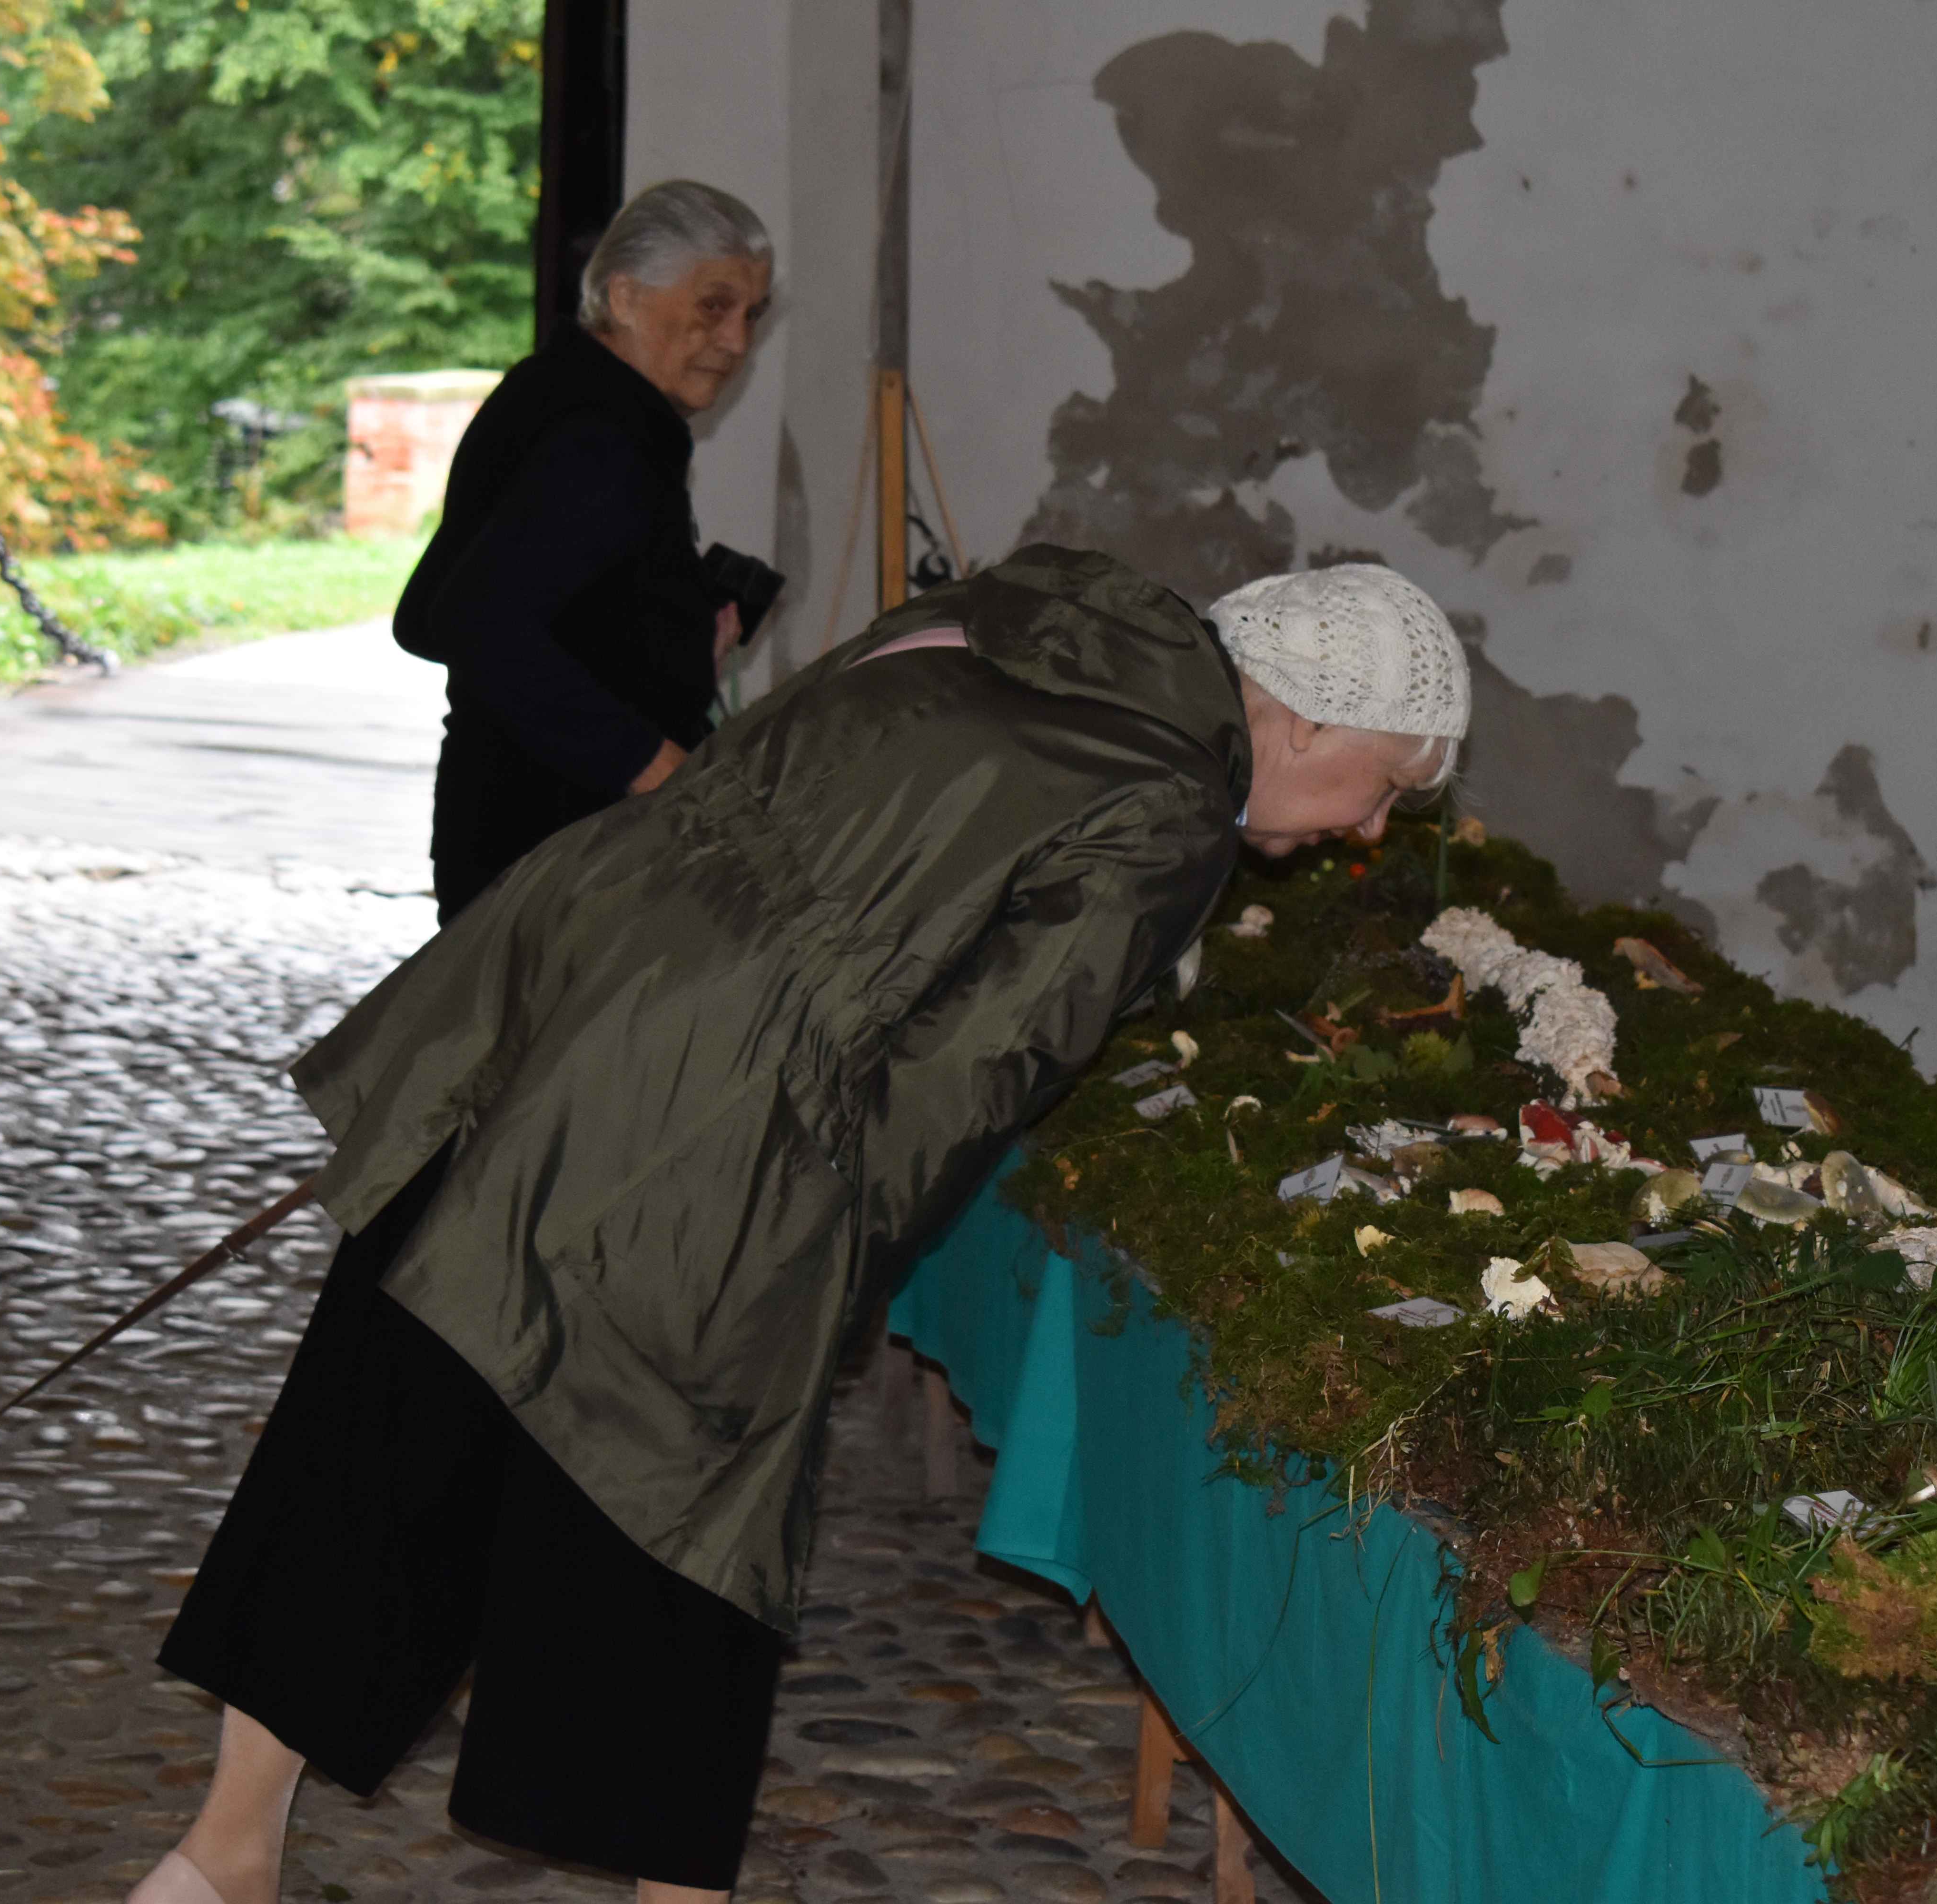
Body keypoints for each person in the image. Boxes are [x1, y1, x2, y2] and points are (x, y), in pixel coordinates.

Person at [127, 550, 1473, 1904]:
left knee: (402, 1417)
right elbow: (971, 1075)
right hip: (720, 1105)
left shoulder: (1022, 617)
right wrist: (821, 1263)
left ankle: (223, 1853)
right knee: (685, 1515)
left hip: (564, 983)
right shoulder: (1172, 804)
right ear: (1304, 720)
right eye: (1390, 787)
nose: (1369, 830)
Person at [393, 179, 774, 922]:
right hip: (558, 849)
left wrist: (681, 639)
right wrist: (655, 766)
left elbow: (440, 611)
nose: (737, 342)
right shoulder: (602, 436)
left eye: (752, 314)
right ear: (626, 297)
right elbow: (471, 623)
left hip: (515, 834)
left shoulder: (556, 395)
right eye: (713, 306)